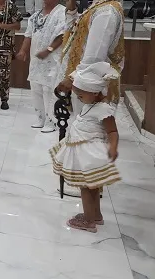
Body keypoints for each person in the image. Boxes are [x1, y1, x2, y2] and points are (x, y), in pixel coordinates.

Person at [56, 0, 143, 116]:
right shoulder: (100, 7)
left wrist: (72, 78)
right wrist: (72, 10)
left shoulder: (106, 12)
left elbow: (95, 56)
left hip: (93, 86)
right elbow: (76, 34)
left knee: (89, 135)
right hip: (85, 80)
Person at [50, 62, 121, 233]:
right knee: (92, 186)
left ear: (95, 92)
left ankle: (89, 221)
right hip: (84, 151)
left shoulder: (104, 109)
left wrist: (113, 147)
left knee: (86, 187)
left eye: (81, 96)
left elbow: (112, 131)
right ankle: (95, 215)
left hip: (90, 154)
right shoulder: (92, 103)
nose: (79, 99)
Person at [16, 0, 68, 132]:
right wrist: (23, 50)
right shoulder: (36, 15)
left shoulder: (62, 12)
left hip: (52, 58)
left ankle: (52, 121)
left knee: (49, 89)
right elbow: (28, 35)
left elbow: (63, 34)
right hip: (36, 58)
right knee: (36, 87)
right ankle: (41, 118)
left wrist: (49, 50)